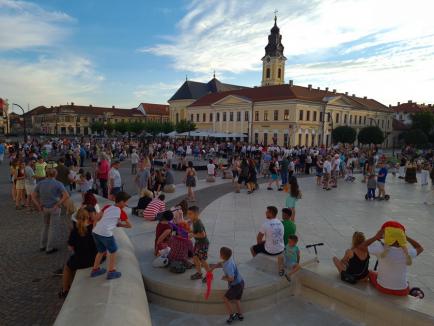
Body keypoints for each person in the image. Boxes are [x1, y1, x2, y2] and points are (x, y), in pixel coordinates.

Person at [363, 223, 423, 296]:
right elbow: (420, 248)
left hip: (383, 288)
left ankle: (411, 290)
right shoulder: (408, 252)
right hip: (402, 291)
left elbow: (362, 246)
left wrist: (376, 237)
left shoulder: (380, 249)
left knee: (371, 272)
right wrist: (406, 237)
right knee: (405, 282)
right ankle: (412, 291)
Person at [91, 191, 132, 280]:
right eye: (126, 202)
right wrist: (120, 225)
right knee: (113, 251)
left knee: (101, 251)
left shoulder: (107, 207)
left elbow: (97, 218)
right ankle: (111, 272)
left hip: (96, 232)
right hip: (106, 234)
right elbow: (130, 225)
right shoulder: (121, 212)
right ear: (121, 202)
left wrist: (95, 229)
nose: (126, 204)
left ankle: (95, 270)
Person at [58, 208, 98, 298]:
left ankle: (65, 290)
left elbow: (70, 247)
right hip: (94, 259)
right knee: (72, 264)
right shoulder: (92, 228)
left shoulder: (74, 231)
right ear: (88, 217)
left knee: (67, 267)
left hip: (81, 260)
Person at [31, 168, 70, 254]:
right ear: (55, 175)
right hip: (54, 208)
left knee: (45, 226)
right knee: (53, 227)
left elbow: (33, 195)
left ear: (46, 174)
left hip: (44, 208)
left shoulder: (40, 183)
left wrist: (38, 205)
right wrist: (58, 203)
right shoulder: (58, 184)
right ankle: (49, 248)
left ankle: (42, 245)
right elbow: (66, 195)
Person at [210, 247, 244, 324]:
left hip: (236, 285)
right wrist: (213, 267)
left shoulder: (228, 266)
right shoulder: (229, 260)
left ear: (222, 255)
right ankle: (240, 315)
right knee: (237, 299)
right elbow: (221, 263)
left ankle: (232, 315)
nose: (219, 254)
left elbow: (231, 278)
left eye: (220, 253)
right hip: (241, 282)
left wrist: (224, 278)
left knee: (225, 298)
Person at [250, 206, 285, 276]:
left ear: (271, 213)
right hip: (281, 249)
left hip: (270, 251)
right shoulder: (280, 223)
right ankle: (281, 270)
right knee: (276, 249)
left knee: (252, 248)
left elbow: (259, 239)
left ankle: (259, 265)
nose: (265, 212)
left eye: (267, 211)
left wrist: (262, 244)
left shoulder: (266, 224)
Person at [188, 206, 210, 281]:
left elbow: (203, 234)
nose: (188, 216)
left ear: (196, 214)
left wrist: (193, 235)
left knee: (203, 260)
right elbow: (196, 232)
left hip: (203, 244)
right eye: (188, 214)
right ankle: (199, 273)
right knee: (195, 258)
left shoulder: (198, 223)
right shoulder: (194, 221)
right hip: (198, 243)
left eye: (190, 214)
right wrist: (191, 232)